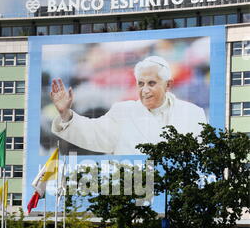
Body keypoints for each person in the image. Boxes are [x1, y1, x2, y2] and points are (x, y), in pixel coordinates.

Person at [50, 56, 207, 155]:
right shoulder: (123, 111)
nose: (145, 90)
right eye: (140, 84)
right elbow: (93, 132)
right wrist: (65, 114)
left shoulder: (193, 113)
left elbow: (204, 159)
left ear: (168, 84)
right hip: (132, 195)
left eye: (151, 83)